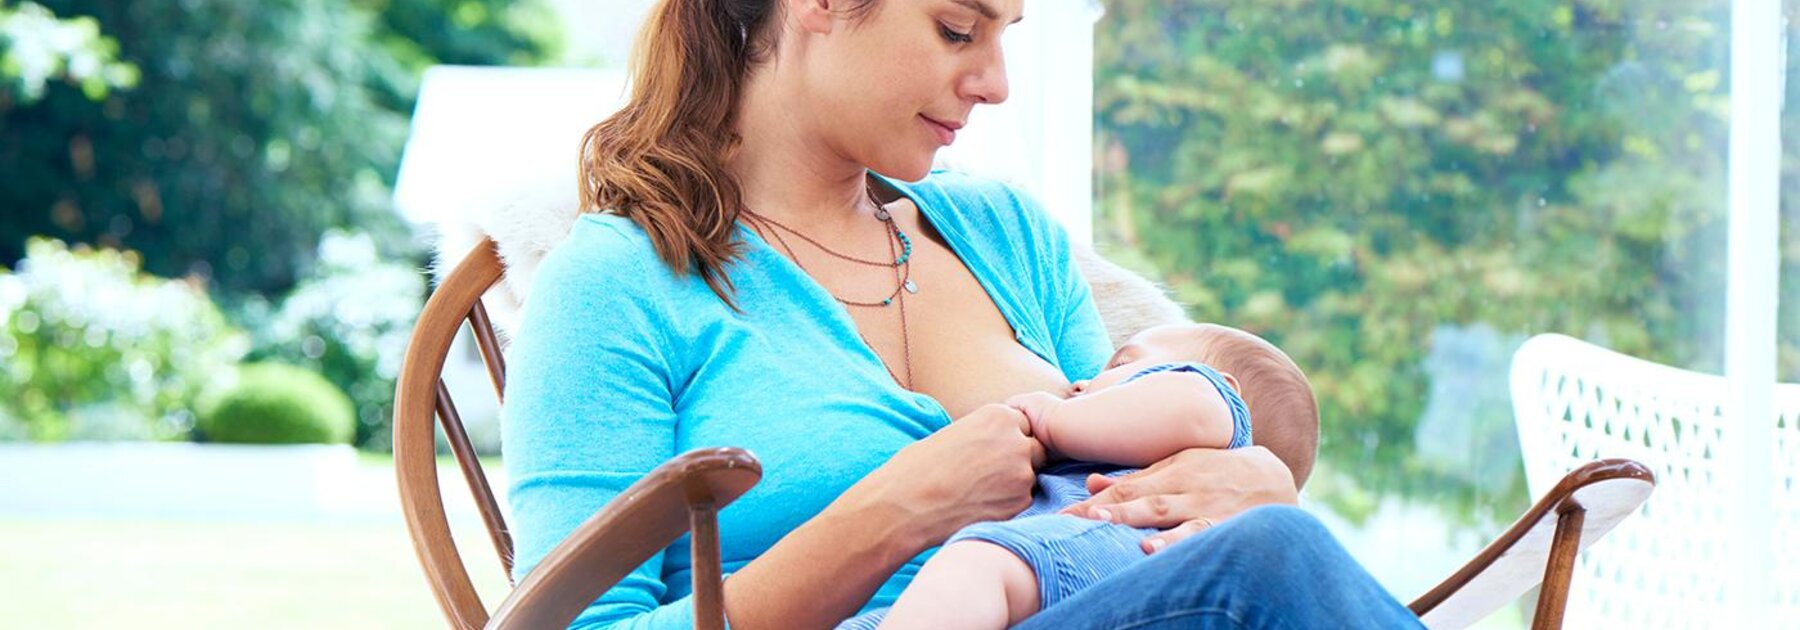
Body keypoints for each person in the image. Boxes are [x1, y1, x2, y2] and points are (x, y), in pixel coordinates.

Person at [501, 0, 1426, 628]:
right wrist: (890, 516)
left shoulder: (1005, 234)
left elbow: (1116, 505)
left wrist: (1245, 482)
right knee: (1268, 565)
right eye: (957, 29)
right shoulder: (618, 285)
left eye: (1006, 33)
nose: (996, 82)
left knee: (1271, 544)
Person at [852, 323, 1314, 629]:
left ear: (1221, 383)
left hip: (1108, 542)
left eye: (1117, 364)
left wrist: (1053, 418)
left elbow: (1188, 409)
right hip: (1058, 567)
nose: (1078, 383)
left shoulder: (1209, 399)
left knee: (973, 565)